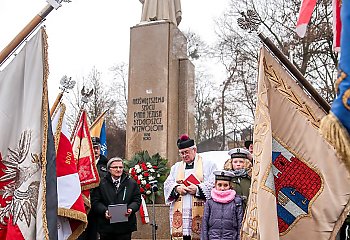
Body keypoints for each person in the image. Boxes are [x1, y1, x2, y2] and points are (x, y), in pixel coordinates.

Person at [164, 134, 217, 240]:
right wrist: (176, 188)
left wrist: (198, 189)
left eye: (186, 152)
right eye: (182, 153)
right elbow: (167, 183)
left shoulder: (208, 164)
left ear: (194, 150)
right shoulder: (176, 167)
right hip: (180, 211)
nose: (184, 155)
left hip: (200, 209)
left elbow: (214, 183)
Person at [91, 157, 141, 240]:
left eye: (120, 167)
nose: (118, 170)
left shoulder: (131, 183)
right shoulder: (101, 183)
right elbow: (95, 202)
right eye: (115, 167)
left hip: (125, 227)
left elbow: (137, 200)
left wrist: (131, 209)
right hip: (106, 226)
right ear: (109, 169)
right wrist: (104, 211)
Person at [78, 137, 108, 240]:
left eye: (97, 148)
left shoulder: (107, 165)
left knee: (95, 234)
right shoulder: (80, 163)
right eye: (93, 147)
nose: (95, 150)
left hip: (99, 204)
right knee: (81, 233)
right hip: (83, 203)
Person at [201, 170, 243, 240]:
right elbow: (204, 224)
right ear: (215, 185)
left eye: (225, 185)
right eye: (219, 185)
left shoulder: (236, 201)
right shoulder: (210, 202)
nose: (222, 188)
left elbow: (240, 224)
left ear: (230, 186)